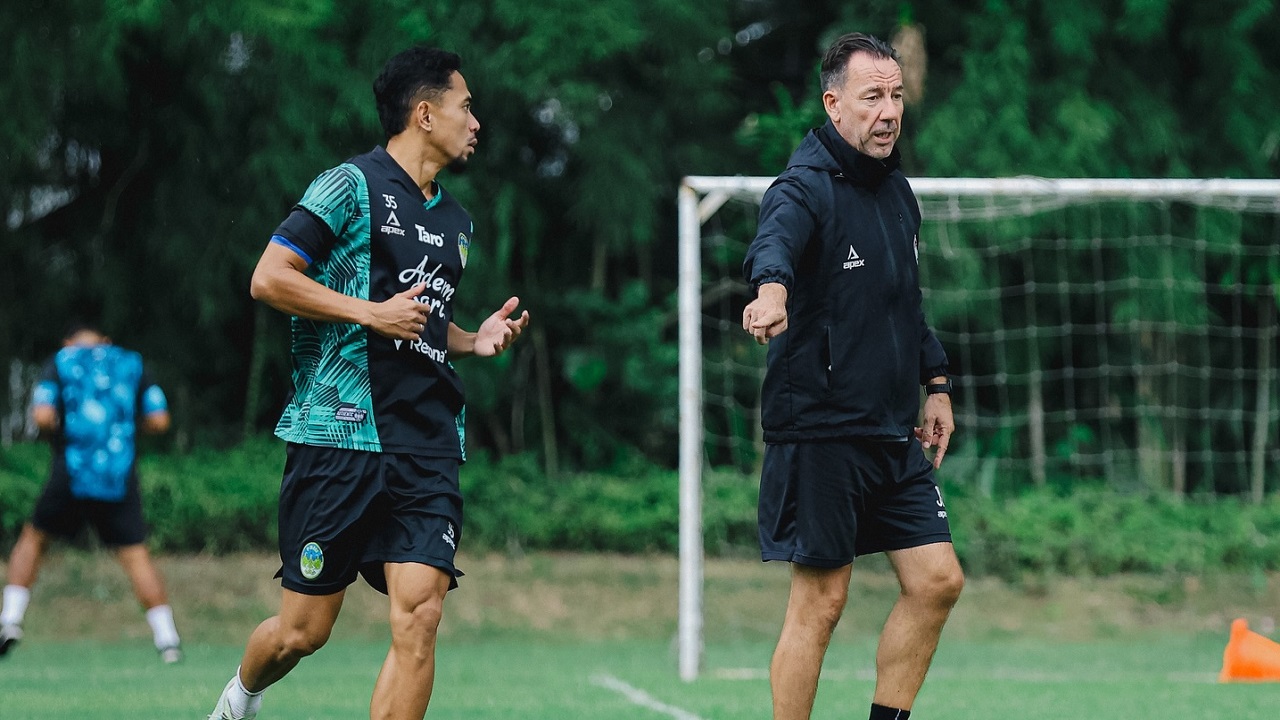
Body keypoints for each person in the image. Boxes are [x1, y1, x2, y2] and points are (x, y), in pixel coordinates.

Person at [207, 45, 529, 720]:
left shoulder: (457, 223)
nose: (477, 122)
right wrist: (367, 313)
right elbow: (269, 279)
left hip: (427, 443)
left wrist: (473, 339)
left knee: (421, 616)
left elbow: (422, 327)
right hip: (339, 438)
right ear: (424, 112)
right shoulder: (346, 186)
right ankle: (242, 696)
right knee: (303, 633)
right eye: (466, 106)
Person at [741, 32, 965, 720]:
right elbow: (772, 245)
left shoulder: (897, 190)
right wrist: (771, 291)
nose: (889, 111)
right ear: (834, 104)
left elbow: (904, 298)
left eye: (896, 96)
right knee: (822, 602)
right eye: (873, 97)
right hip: (821, 427)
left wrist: (936, 383)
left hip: (888, 428)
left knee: (937, 582)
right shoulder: (802, 188)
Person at [0, 323, 183, 664]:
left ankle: (10, 619)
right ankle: (167, 641)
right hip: (118, 475)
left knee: (34, 539)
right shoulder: (132, 363)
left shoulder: (62, 361)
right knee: (135, 555)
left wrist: (59, 432)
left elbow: (41, 415)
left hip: (71, 472)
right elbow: (159, 420)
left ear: (67, 340)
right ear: (106, 341)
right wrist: (125, 429)